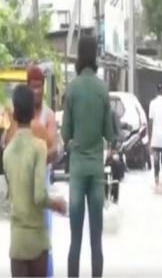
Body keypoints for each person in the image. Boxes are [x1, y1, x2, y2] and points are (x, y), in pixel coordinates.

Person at [62, 36, 115, 277]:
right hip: (95, 170)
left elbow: (65, 134)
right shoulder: (102, 89)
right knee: (96, 240)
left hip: (77, 170)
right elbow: (109, 134)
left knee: (75, 240)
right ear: (94, 56)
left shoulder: (72, 89)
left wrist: (74, 143)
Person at [4, 85, 66, 277]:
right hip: (37, 238)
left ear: (14, 114)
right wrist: (57, 204)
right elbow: (39, 196)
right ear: (33, 112)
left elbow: (11, 195)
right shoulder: (39, 147)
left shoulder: (7, 153)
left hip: (17, 239)